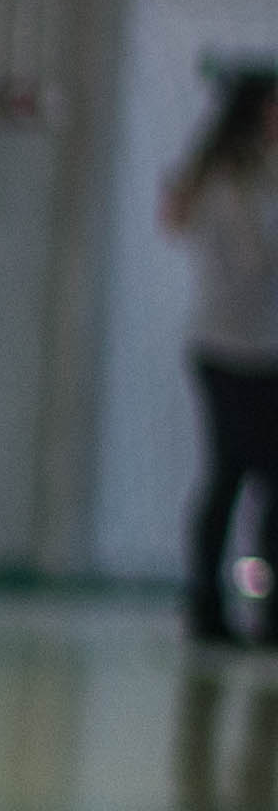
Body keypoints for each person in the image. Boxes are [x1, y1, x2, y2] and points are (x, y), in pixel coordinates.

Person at [163, 68, 278, 647]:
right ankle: (207, 607)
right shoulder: (230, 182)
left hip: (268, 347)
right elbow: (256, 261)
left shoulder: (260, 176)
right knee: (232, 474)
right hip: (228, 346)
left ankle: (264, 606)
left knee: (269, 484)